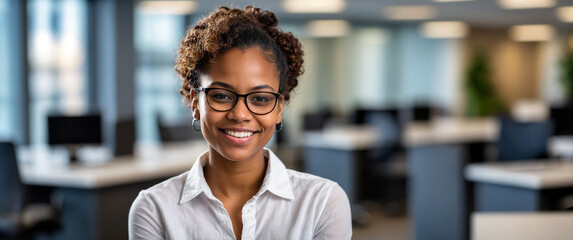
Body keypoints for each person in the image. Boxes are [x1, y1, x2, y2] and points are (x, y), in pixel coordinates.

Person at [129, 6, 352, 240]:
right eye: (222, 95)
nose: (240, 114)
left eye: (260, 99)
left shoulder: (323, 203)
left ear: (279, 109)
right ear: (196, 104)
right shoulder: (154, 209)